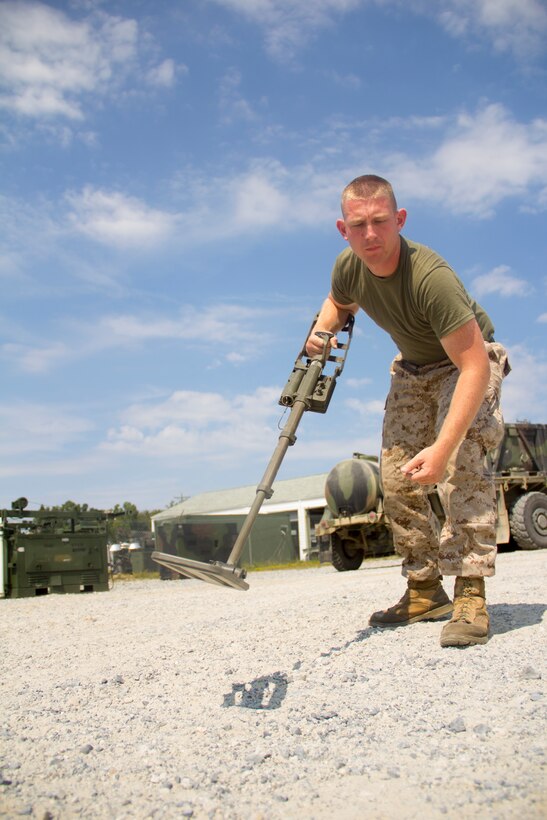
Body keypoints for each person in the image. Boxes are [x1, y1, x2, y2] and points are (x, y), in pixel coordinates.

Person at [306, 175, 510, 647]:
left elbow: (474, 365)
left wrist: (442, 447)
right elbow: (339, 302)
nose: (371, 235)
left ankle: (470, 591)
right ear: (344, 229)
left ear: (399, 220)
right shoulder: (349, 266)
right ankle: (423, 589)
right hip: (414, 368)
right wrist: (322, 330)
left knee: (460, 464)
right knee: (397, 478)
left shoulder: (429, 277)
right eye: (359, 225)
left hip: (468, 362)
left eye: (381, 222)